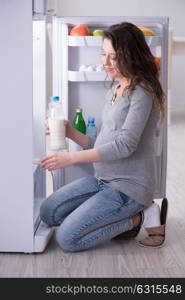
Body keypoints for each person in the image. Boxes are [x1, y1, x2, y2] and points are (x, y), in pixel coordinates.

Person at [40, 22, 168, 252]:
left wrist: (71, 159)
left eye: (113, 57)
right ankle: (118, 215)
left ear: (131, 55)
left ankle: (141, 216)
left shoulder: (142, 93)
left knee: (68, 239)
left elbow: (125, 145)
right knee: (48, 212)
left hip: (129, 188)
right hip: (103, 180)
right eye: (103, 54)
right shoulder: (116, 89)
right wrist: (70, 132)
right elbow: (104, 143)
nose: (105, 62)